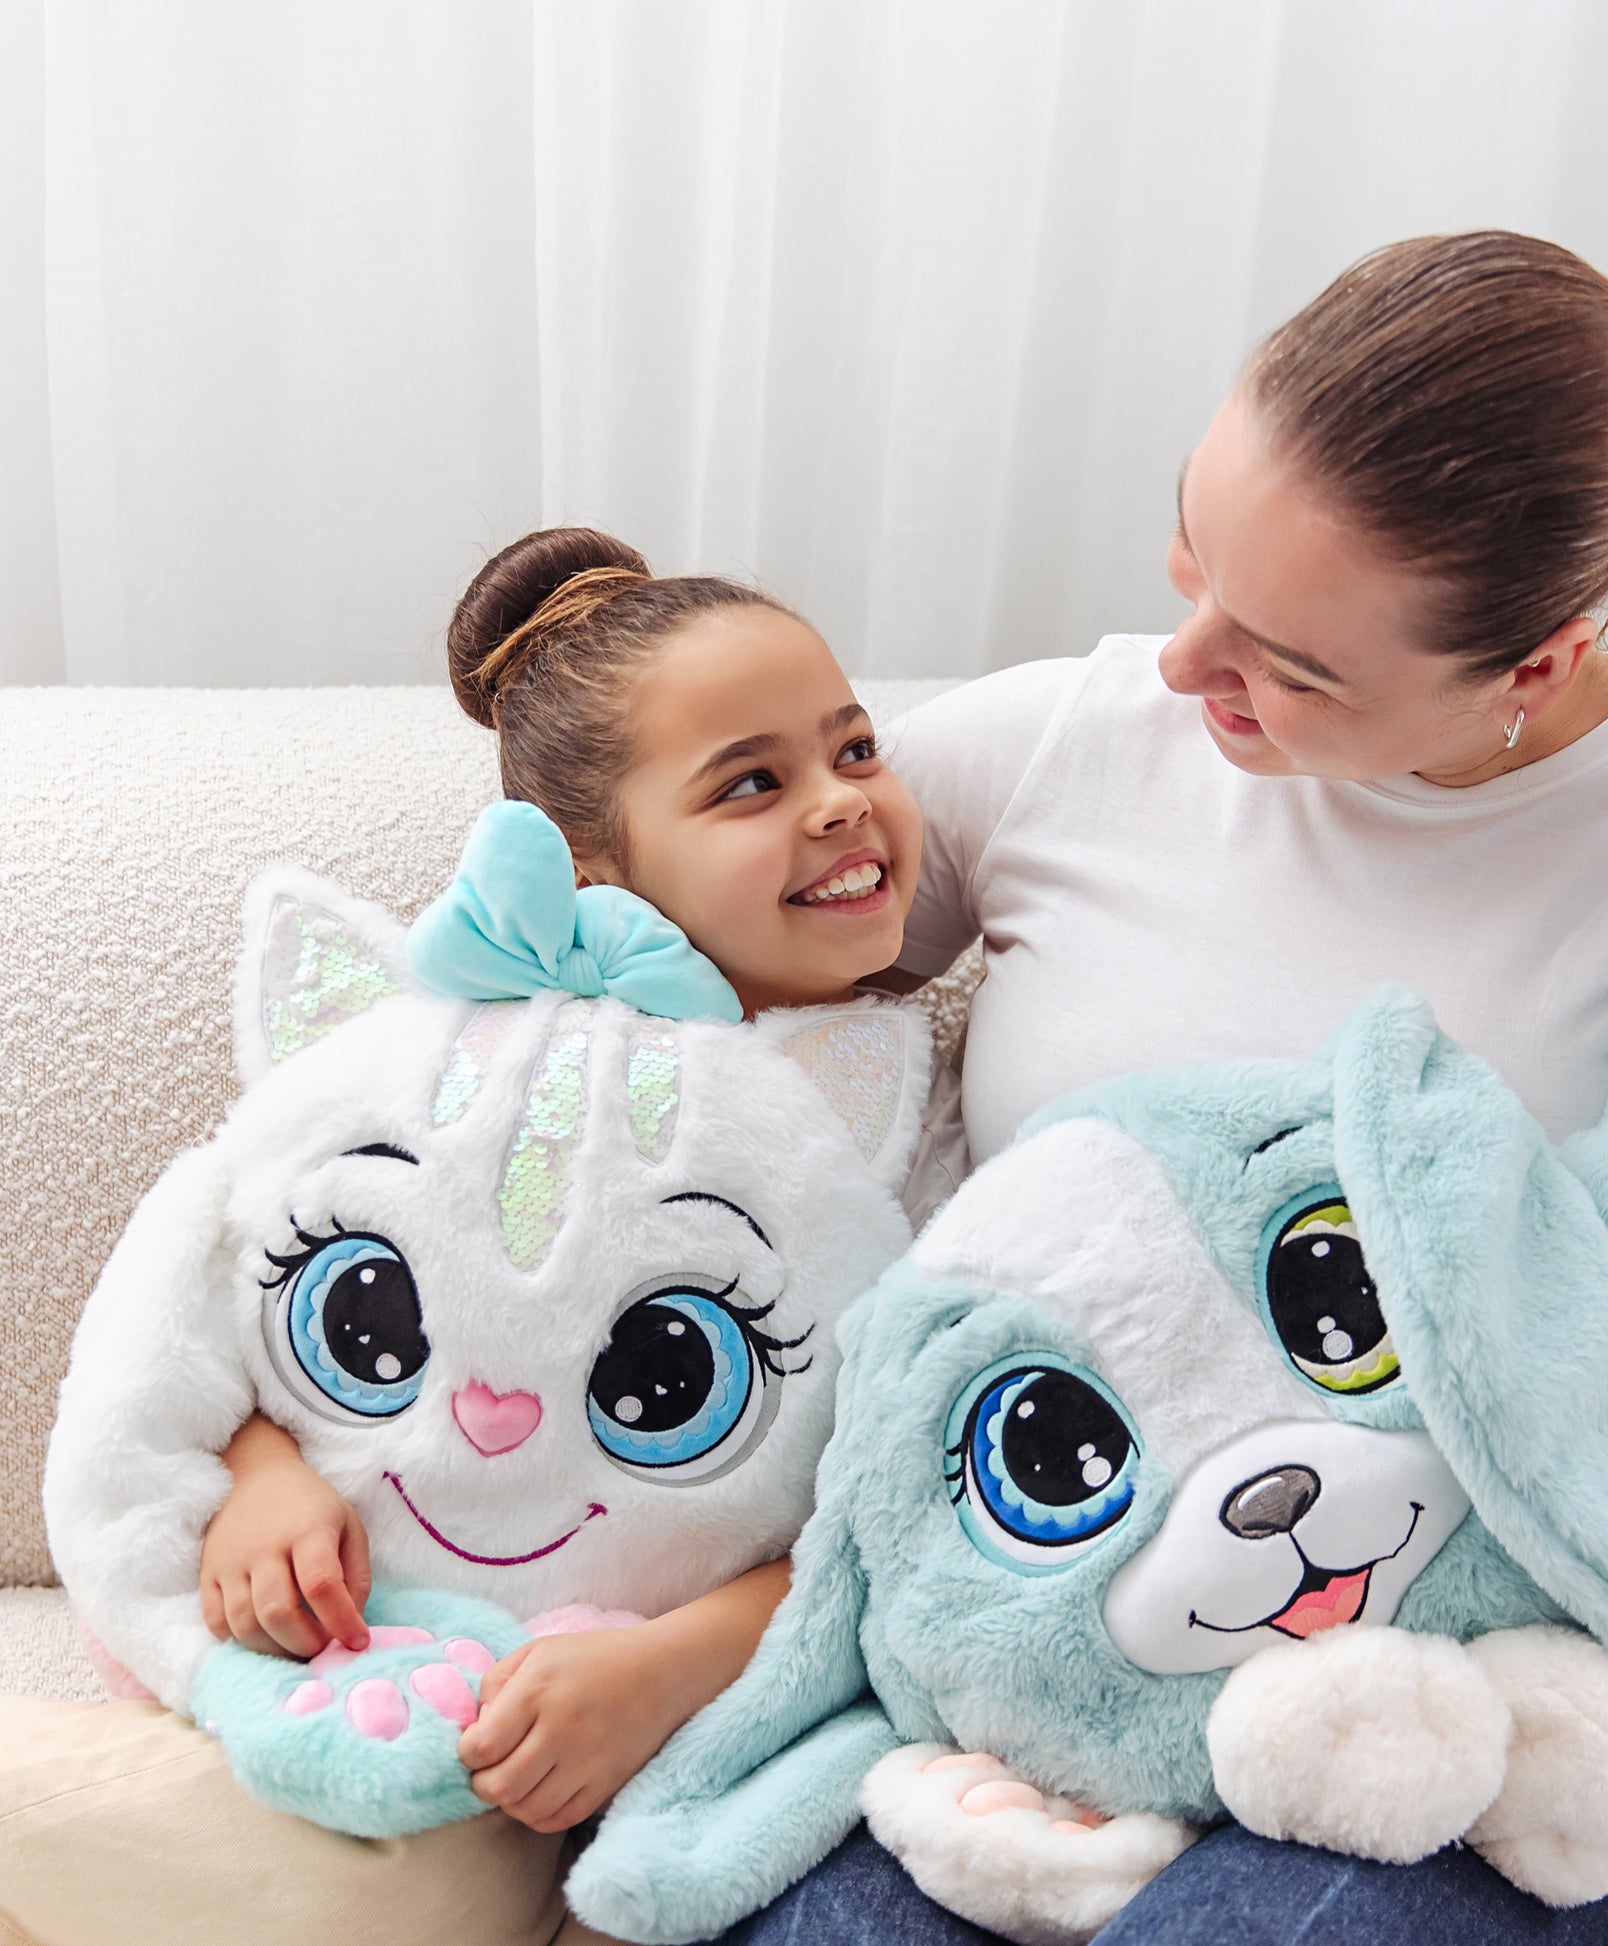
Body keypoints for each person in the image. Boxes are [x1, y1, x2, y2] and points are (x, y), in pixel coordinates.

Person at [722, 231, 1608, 1942]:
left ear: (1533, 663)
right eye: (1190, 553)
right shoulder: (1064, 748)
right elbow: (659, 1004)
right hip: (1027, 1658)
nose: (1181, 663)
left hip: (1484, 1718)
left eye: (1290, 666)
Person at [0, 530, 958, 1946]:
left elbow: (902, 1514)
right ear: (588, 864)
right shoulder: (440, 1075)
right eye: (753, 781)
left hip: (641, 1748)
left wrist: (657, 1670)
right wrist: (258, 1477)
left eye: (857, 749)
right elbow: (225, 1309)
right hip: (351, 1671)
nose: (838, 805)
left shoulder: (906, 1124)